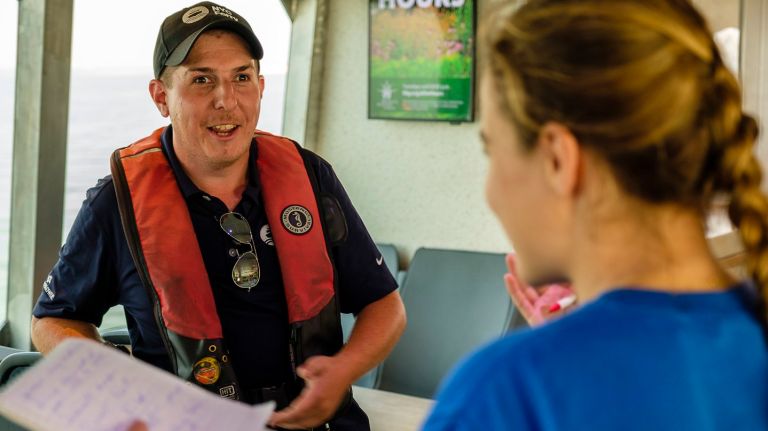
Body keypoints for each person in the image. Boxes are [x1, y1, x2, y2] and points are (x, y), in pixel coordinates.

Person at [30, 2, 406, 430]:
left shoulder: (311, 176)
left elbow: (385, 304)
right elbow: (53, 320)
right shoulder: (117, 201)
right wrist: (115, 388)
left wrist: (342, 372)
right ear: (161, 97)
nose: (226, 100)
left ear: (261, 87)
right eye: (202, 79)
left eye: (241, 78)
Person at [423, 0, 768, 429]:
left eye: (492, 150)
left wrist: (558, 361)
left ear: (557, 159)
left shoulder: (503, 394)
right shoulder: (750, 339)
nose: (490, 191)